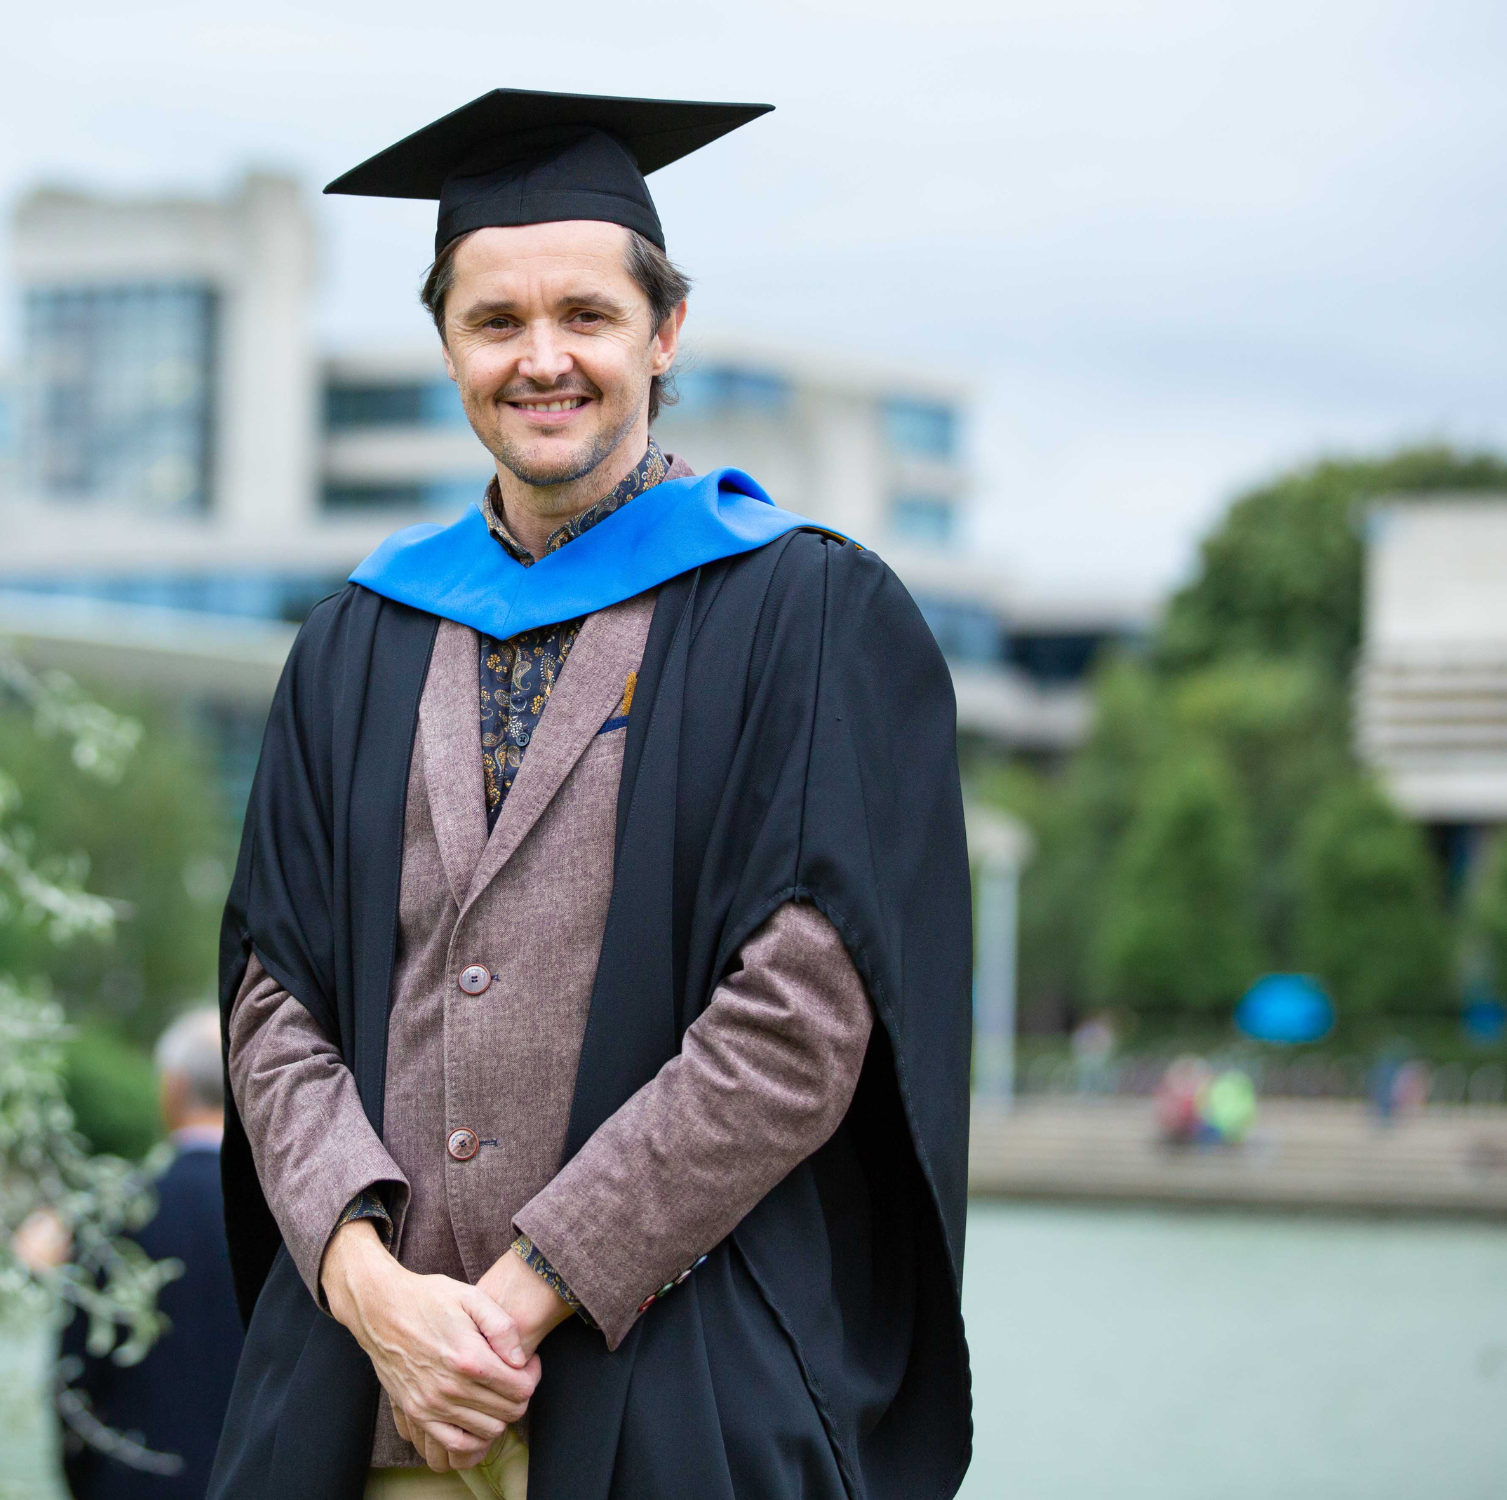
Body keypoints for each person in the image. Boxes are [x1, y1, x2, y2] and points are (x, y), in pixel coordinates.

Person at [213, 89, 974, 1500]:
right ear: (446, 343)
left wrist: (501, 1314)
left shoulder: (799, 614)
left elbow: (801, 1018)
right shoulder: (353, 642)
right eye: (495, 322)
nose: (541, 358)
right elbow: (272, 999)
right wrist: (376, 1298)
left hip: (672, 1413)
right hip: (359, 1420)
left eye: (586, 315)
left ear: (662, 333)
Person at [28, 1009, 245, 1500]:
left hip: (128, 1483)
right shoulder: (288, 1216)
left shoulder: (112, 1214)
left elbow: (75, 1375)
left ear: (173, 1088)